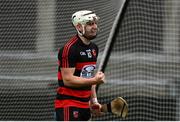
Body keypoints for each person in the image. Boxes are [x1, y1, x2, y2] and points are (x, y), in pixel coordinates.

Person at [55, 10, 106, 121]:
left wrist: (94, 102)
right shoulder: (69, 49)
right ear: (79, 27)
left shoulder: (94, 48)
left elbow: (89, 77)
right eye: (90, 24)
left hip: (85, 105)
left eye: (95, 23)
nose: (95, 27)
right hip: (68, 105)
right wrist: (94, 80)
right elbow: (68, 80)